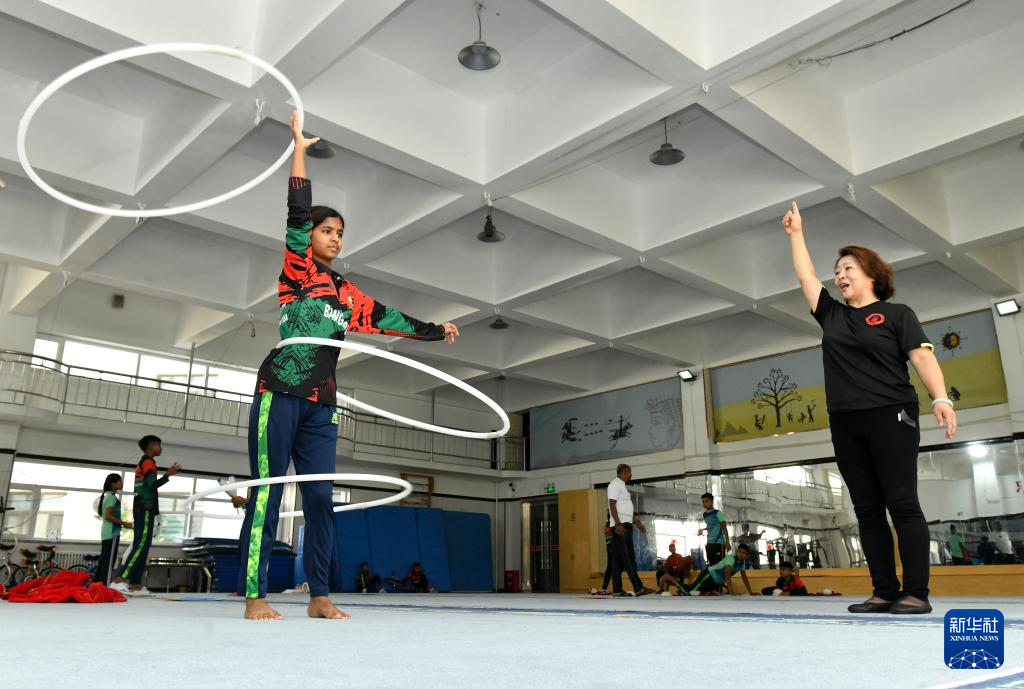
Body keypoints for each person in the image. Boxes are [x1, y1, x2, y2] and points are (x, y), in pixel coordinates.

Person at [237, 112, 459, 621]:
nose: (336, 238)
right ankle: (254, 595)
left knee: (321, 500)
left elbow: (389, 319)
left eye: (340, 233)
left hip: (323, 403)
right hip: (281, 390)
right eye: (327, 230)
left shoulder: (347, 294)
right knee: (268, 494)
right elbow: (296, 210)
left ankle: (319, 595)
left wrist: (436, 329)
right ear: (310, 237)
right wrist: (299, 149)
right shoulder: (298, 271)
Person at [784, 201, 956, 615]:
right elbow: (806, 276)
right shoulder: (832, 316)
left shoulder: (897, 315)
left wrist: (941, 398)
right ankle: (884, 590)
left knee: (902, 502)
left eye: (849, 269)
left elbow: (922, 357)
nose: (840, 276)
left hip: (891, 414)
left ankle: (916, 592)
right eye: (838, 271)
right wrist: (796, 235)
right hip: (845, 422)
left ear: (872, 275)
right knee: (865, 509)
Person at [110, 435, 180, 596]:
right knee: (141, 544)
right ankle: (119, 580)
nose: (161, 448)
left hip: (142, 507)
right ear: (151, 446)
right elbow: (152, 485)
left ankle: (136, 585)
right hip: (145, 507)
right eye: (159, 445)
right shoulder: (148, 462)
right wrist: (168, 475)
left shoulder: (145, 462)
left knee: (143, 545)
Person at [607, 464, 654, 597]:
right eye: (629, 473)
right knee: (629, 558)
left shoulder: (622, 486)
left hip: (624, 524)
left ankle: (617, 589)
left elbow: (625, 510)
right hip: (621, 526)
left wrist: (638, 523)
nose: (631, 475)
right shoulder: (615, 484)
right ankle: (638, 587)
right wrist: (617, 523)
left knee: (617, 560)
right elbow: (612, 504)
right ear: (624, 472)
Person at [94, 473, 132, 586]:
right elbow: (108, 516)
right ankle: (105, 587)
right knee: (109, 563)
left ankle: (97, 586)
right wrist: (124, 523)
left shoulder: (106, 495)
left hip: (106, 532)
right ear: (113, 484)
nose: (122, 483)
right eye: (119, 481)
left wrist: (122, 524)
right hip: (111, 533)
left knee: (104, 561)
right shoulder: (111, 497)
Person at [683, 543, 756, 596]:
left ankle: (683, 589)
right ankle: (679, 585)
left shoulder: (742, 563)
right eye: (739, 552)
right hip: (708, 575)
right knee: (690, 591)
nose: (740, 554)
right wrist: (731, 592)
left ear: (747, 556)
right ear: (736, 551)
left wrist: (751, 592)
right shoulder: (731, 559)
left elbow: (744, 577)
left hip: (715, 582)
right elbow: (727, 575)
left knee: (702, 593)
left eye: (744, 553)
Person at [697, 493, 729, 566]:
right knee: (712, 566)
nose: (704, 503)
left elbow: (724, 527)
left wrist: (727, 542)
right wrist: (703, 529)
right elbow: (711, 526)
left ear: (712, 502)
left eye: (707, 501)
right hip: (709, 543)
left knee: (719, 565)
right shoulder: (704, 514)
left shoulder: (718, 513)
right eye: (703, 502)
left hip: (718, 543)